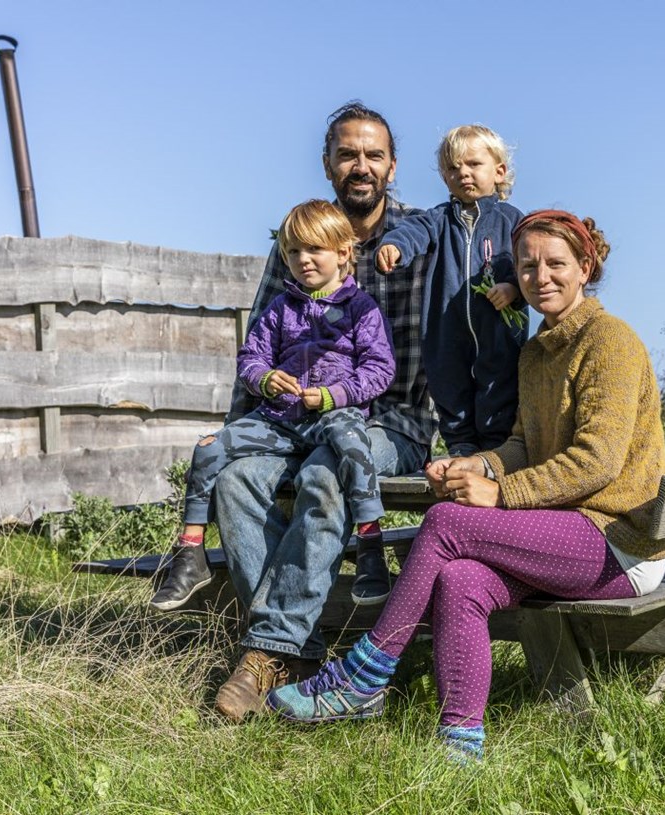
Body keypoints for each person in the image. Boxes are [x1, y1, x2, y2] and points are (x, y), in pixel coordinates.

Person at [267, 210, 665, 762]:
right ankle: (460, 744)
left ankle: (365, 674)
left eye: (556, 264)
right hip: (567, 532)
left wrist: (501, 494)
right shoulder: (537, 351)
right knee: (460, 579)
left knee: (445, 522)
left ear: (585, 267)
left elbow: (596, 463)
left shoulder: (610, 341)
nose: (540, 277)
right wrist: (476, 465)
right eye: (526, 266)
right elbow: (523, 444)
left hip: (619, 544)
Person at [211, 103, 436, 721]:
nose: (360, 166)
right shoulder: (300, 242)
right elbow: (258, 344)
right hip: (297, 421)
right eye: (347, 154)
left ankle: (263, 655)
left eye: (373, 155)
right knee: (235, 482)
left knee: (326, 474)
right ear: (328, 164)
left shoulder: (422, 239)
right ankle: (302, 656)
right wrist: (238, 433)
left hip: (391, 421)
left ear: (392, 166)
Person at [149, 199, 396, 612]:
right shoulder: (281, 308)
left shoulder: (361, 310)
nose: (303, 259)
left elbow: (379, 370)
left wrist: (333, 395)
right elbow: (251, 358)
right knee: (208, 448)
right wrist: (265, 379)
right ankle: (190, 553)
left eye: (314, 249)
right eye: (293, 251)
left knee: (355, 446)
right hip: (280, 419)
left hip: (334, 416)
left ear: (342, 253)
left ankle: (370, 544)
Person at [376, 125, 528, 455]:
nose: (463, 173)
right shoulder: (439, 219)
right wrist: (395, 246)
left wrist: (514, 288)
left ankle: (496, 450)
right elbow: (413, 231)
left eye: (473, 164)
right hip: (446, 327)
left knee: (499, 384)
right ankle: (461, 446)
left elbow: (530, 262)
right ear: (445, 178)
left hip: (498, 331)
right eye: (453, 167)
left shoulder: (512, 221)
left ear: (499, 171)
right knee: (448, 383)